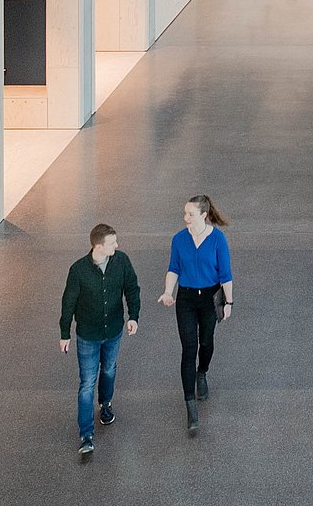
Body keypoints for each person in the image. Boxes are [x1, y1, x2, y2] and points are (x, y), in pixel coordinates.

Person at [58, 223, 140, 458]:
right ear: (98, 246)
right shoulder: (78, 271)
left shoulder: (121, 261)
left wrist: (133, 316)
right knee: (86, 384)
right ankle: (86, 435)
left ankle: (105, 404)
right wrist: (65, 334)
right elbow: (68, 304)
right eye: (112, 243)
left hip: (113, 330)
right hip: (88, 336)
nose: (117, 246)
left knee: (109, 371)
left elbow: (132, 289)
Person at [158, 195, 232, 437]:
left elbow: (226, 274)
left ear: (203, 215)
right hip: (187, 299)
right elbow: (174, 268)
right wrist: (169, 291)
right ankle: (190, 404)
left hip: (209, 298)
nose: (185, 218)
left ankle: (203, 372)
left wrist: (229, 302)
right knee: (188, 348)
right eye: (185, 214)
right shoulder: (179, 240)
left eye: (190, 214)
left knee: (206, 342)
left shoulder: (218, 239)